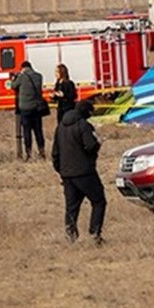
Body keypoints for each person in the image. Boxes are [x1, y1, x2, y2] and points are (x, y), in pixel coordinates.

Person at [52, 100, 106, 244]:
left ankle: (70, 236)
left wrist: (61, 170)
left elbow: (55, 153)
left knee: (71, 207)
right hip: (85, 172)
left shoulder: (60, 127)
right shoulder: (84, 125)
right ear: (86, 112)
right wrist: (98, 143)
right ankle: (95, 234)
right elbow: (90, 146)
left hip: (67, 173)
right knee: (99, 201)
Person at [10, 61, 48, 160]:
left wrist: (14, 78)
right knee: (38, 131)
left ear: (23, 68)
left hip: (25, 108)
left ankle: (29, 153)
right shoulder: (39, 76)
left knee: (27, 132)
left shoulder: (22, 77)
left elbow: (13, 86)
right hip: (36, 108)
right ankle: (41, 151)